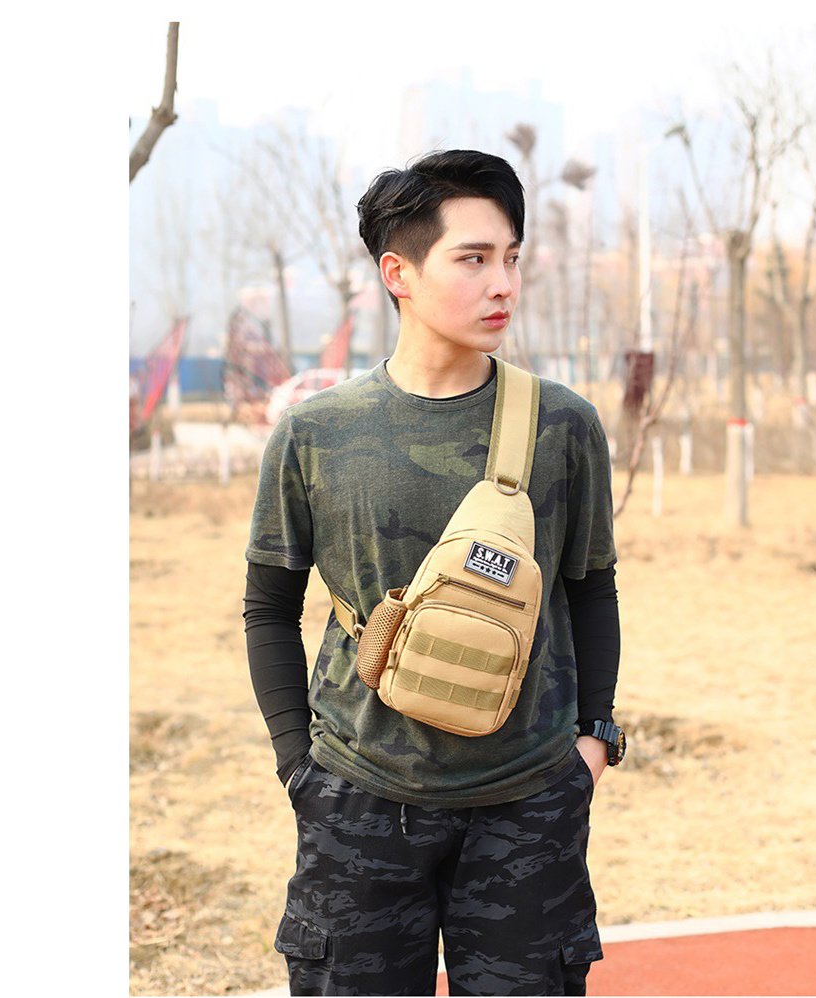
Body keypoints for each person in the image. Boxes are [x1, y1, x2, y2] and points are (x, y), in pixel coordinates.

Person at [244, 149, 626, 997]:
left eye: (512, 259)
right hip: (358, 799)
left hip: (528, 801)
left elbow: (590, 586)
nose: (503, 285)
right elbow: (268, 607)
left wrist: (593, 743)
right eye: (474, 259)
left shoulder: (563, 425)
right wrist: (298, 766)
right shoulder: (317, 433)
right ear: (400, 274)